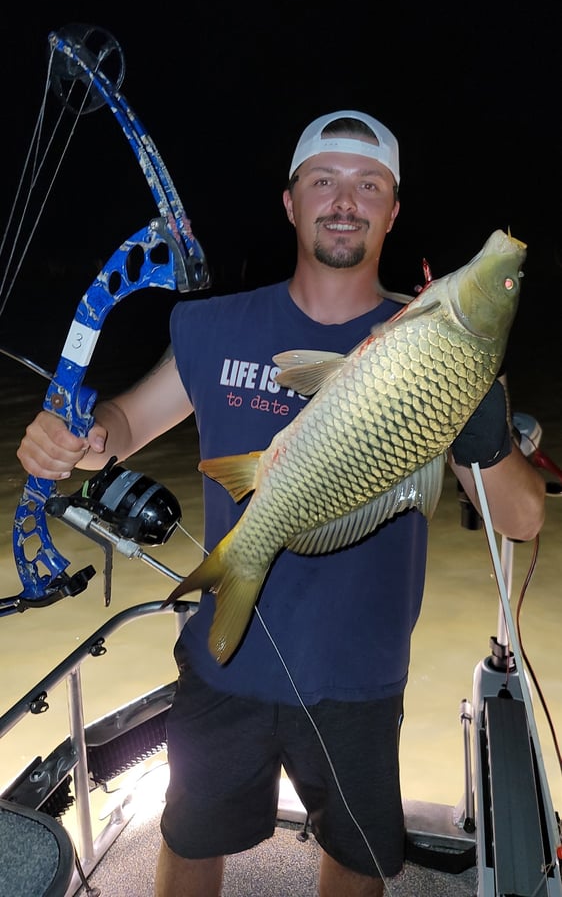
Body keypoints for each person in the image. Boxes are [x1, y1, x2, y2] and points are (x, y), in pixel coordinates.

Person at [17, 111, 545, 897]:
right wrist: (76, 443)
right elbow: (124, 425)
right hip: (223, 668)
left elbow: (522, 521)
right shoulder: (213, 325)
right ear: (291, 202)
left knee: (358, 861)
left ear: (393, 210)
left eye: (368, 185)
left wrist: (484, 426)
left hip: (362, 677)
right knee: (190, 840)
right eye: (323, 181)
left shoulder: (439, 354)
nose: (344, 200)